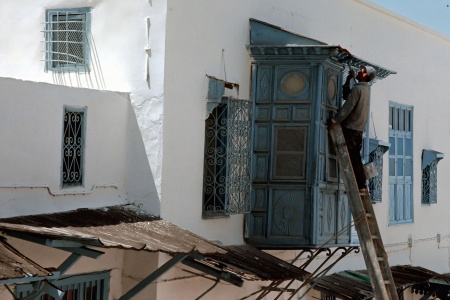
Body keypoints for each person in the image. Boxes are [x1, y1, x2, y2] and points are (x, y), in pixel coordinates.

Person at [328, 66, 376, 192]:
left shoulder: (358, 89)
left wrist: (334, 120)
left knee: (353, 158)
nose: (359, 71)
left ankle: (360, 184)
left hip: (351, 127)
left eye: (362, 71)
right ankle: (362, 184)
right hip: (359, 129)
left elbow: (347, 107)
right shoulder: (365, 90)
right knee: (356, 157)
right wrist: (349, 79)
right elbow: (347, 96)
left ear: (365, 76)